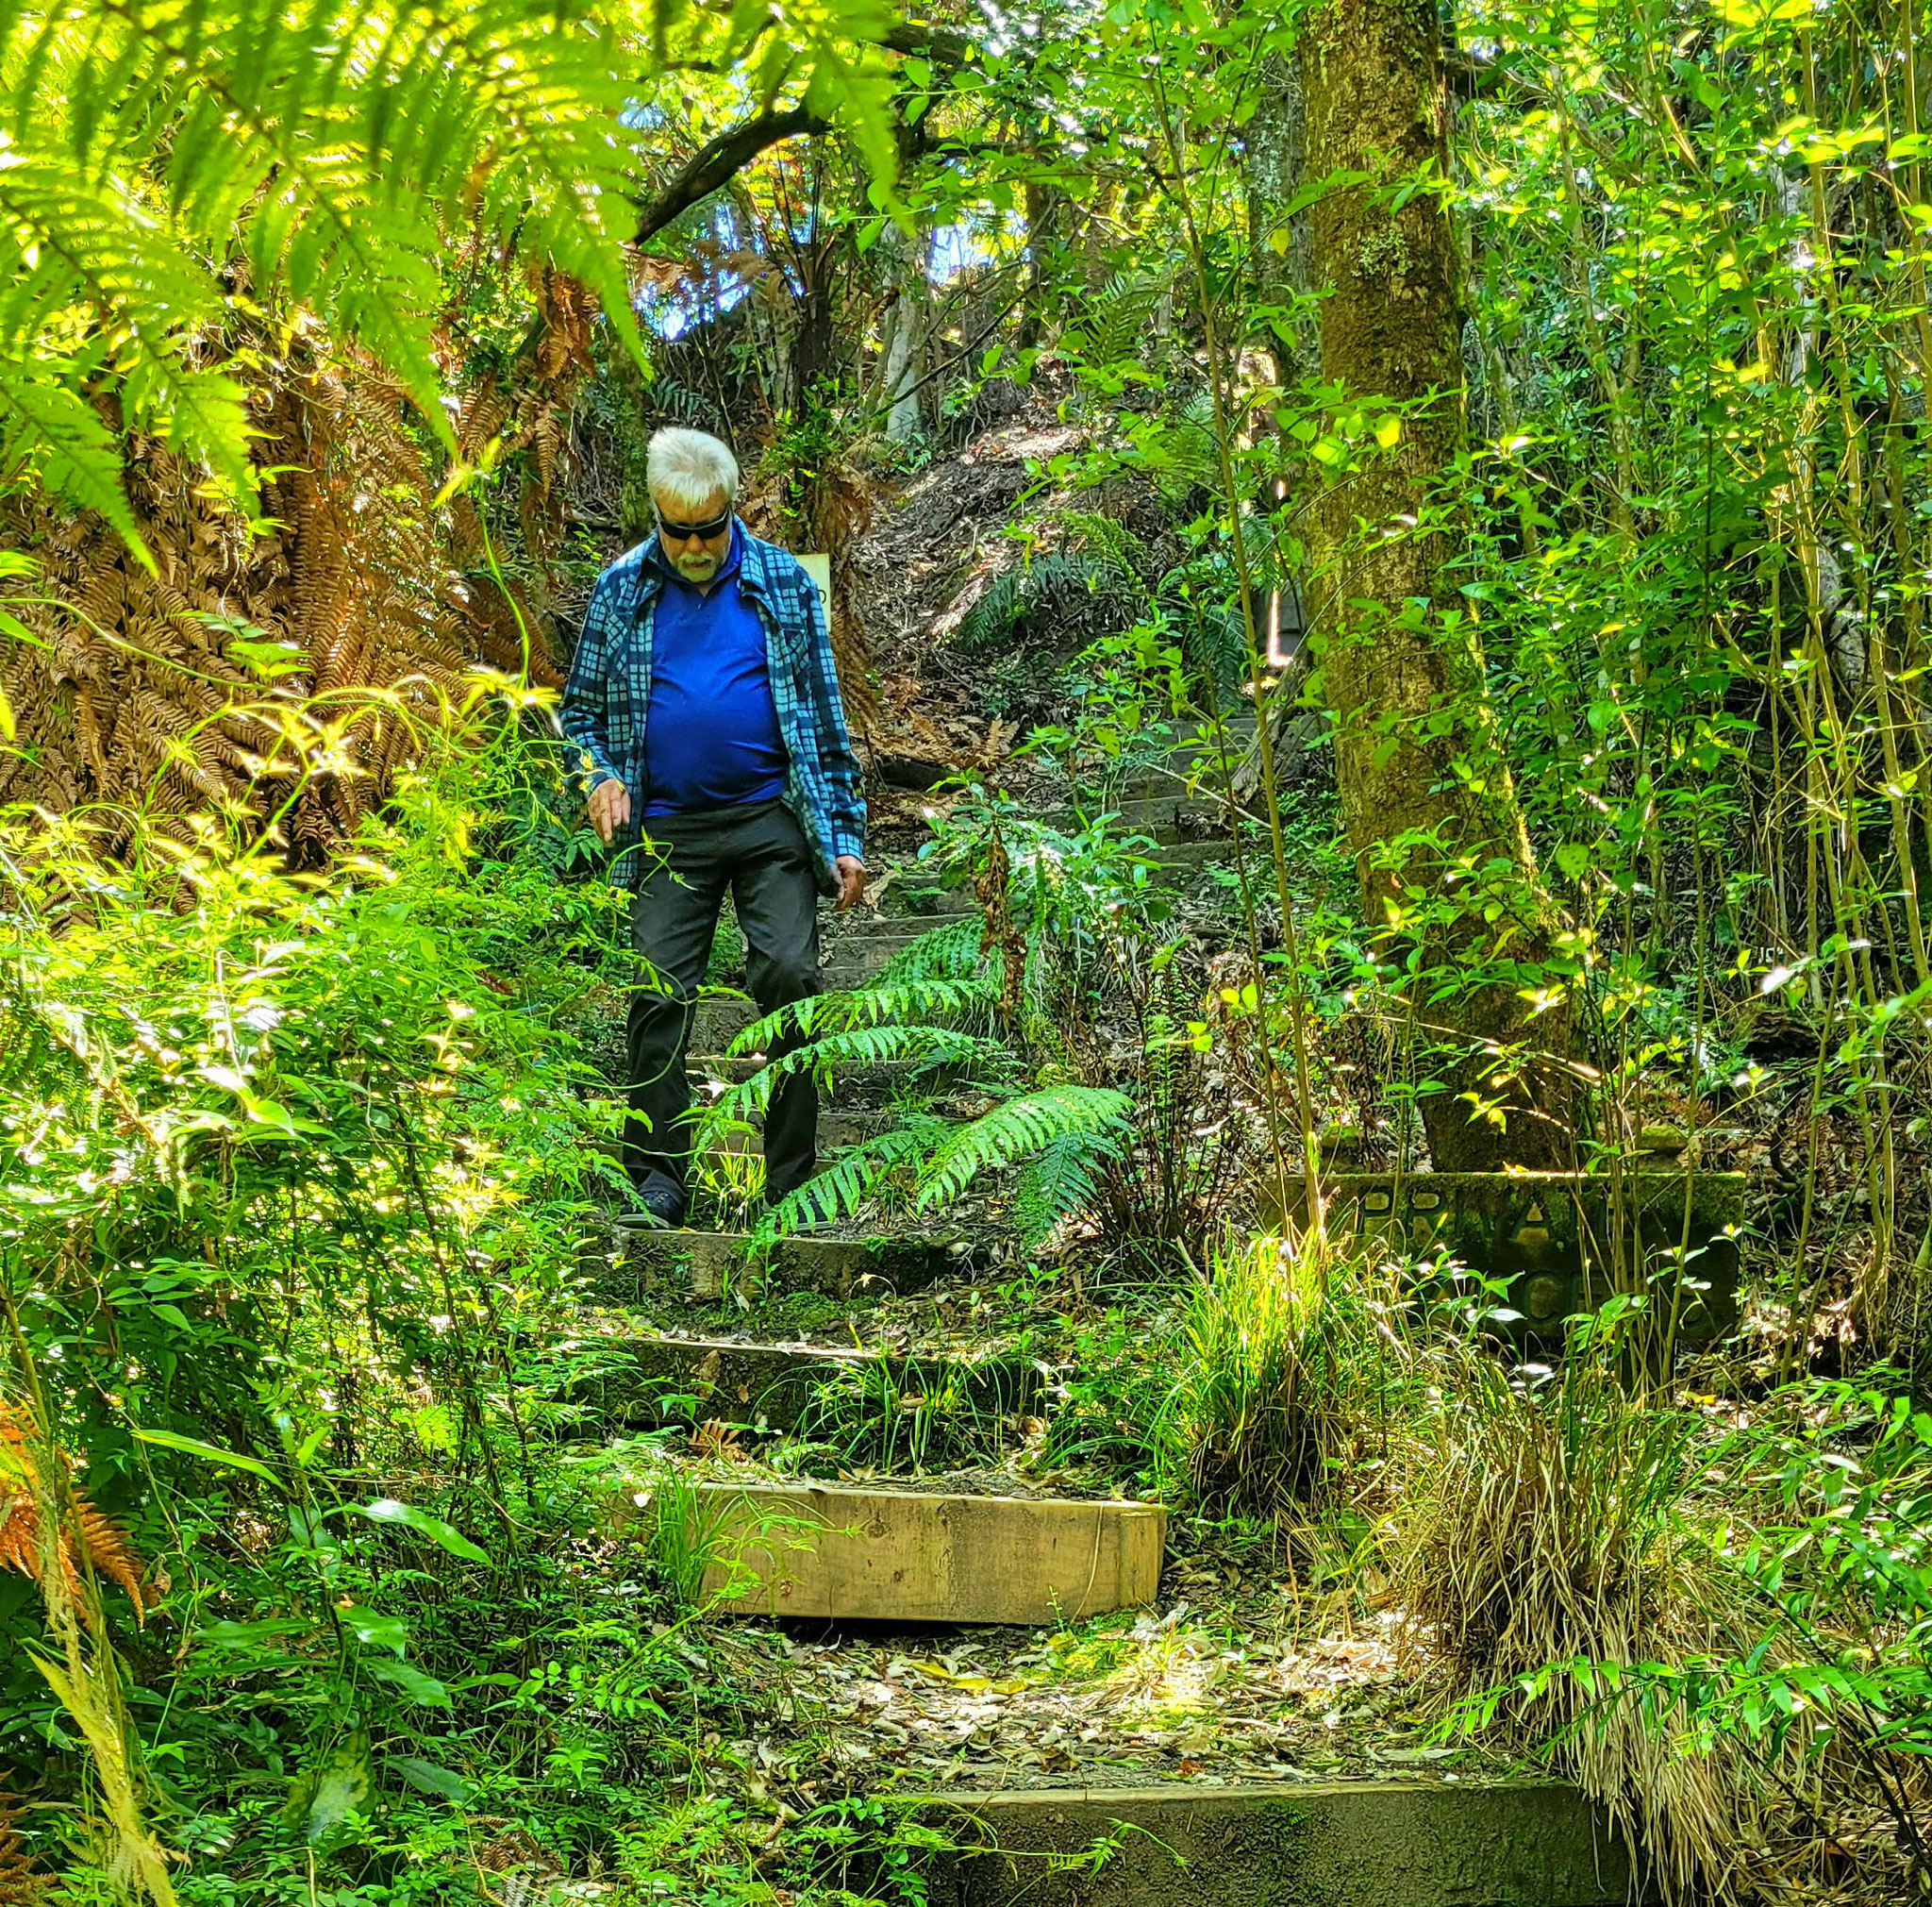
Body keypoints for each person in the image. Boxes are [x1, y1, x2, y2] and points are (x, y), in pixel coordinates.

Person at [561, 427, 868, 1230]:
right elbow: (578, 716)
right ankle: (657, 1178)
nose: (695, 546)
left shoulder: (782, 583)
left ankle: (793, 1181)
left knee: (791, 981)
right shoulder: (621, 589)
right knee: (656, 989)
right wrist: (597, 776)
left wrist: (843, 834)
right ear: (657, 518)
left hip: (771, 817)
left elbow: (827, 721)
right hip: (669, 828)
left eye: (709, 527)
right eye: (678, 530)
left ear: (734, 509)